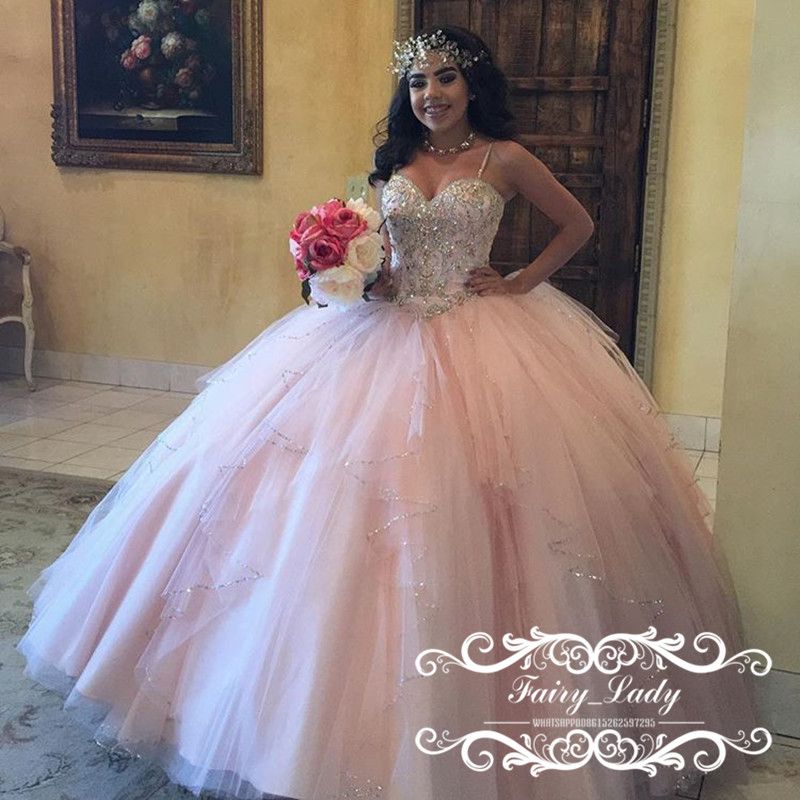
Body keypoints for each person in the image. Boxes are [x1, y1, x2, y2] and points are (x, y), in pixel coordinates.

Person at [16, 24, 767, 800]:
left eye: (445, 78)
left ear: (473, 85)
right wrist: (357, 277)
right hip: (380, 337)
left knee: (493, 508)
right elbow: (374, 251)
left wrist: (519, 281)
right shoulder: (394, 163)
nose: (430, 94)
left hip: (484, 339)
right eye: (417, 81)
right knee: (303, 498)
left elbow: (578, 224)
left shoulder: (504, 158)